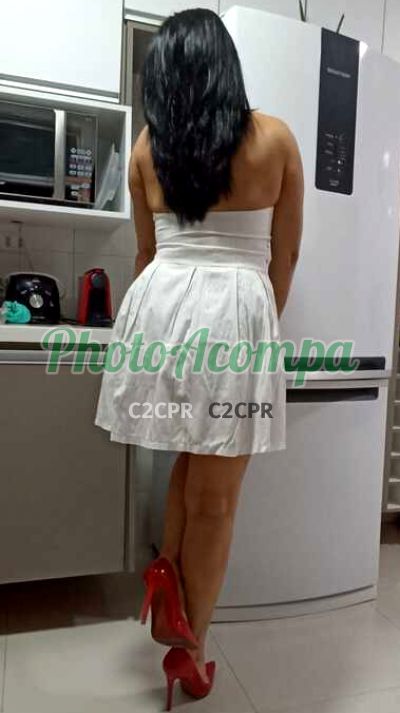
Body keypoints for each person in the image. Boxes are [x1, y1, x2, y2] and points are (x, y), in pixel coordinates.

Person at [95, 7, 303, 710]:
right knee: (216, 498)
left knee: (189, 460)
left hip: (160, 308)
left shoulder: (146, 147)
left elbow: (145, 253)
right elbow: (285, 256)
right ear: (226, 66)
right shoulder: (275, 138)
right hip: (235, 310)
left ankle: (166, 574)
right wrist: (256, 330)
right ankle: (192, 649)